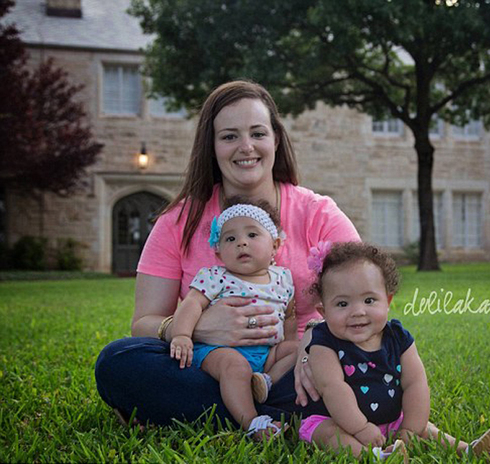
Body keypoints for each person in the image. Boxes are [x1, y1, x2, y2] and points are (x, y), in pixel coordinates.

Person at [95, 80, 361, 429]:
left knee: (359, 358)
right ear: (212, 146)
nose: (246, 146)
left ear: (276, 140)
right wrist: (196, 329)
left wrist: (312, 345)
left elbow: (362, 304)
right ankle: (284, 416)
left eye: (258, 133)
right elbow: (143, 323)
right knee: (118, 361)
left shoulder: (319, 213)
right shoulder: (177, 222)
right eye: (229, 136)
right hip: (212, 364)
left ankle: (204, 410)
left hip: (299, 368)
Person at [299, 242, 490, 460]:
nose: (358, 311)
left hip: (393, 420)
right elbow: (333, 388)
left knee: (427, 429)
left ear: (388, 301)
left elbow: (415, 382)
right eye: (342, 304)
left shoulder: (397, 337)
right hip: (337, 420)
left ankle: (470, 450)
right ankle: (377, 457)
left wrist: (411, 429)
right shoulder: (324, 342)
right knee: (329, 435)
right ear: (323, 312)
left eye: (369, 300)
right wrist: (360, 428)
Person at [170, 198, 298, 438]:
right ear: (218, 251)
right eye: (230, 239)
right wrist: (182, 334)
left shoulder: (283, 279)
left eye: (252, 235)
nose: (241, 242)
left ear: (275, 245)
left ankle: (264, 382)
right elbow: (192, 303)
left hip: (267, 355)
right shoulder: (216, 277)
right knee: (235, 366)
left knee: (299, 349)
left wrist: (288, 344)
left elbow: (289, 316)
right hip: (220, 351)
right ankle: (252, 422)